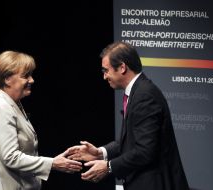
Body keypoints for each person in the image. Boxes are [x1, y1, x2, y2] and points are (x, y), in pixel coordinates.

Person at [68, 41, 190, 190]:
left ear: (122, 67)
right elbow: (132, 140)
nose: (104, 77)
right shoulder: (138, 92)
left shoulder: (144, 95)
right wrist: (101, 153)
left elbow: (145, 150)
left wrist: (109, 166)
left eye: (106, 70)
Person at [0, 51, 82, 190]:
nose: (31, 80)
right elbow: (10, 157)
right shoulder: (0, 106)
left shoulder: (12, 103)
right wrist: (52, 163)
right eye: (25, 76)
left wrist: (54, 161)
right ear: (7, 79)